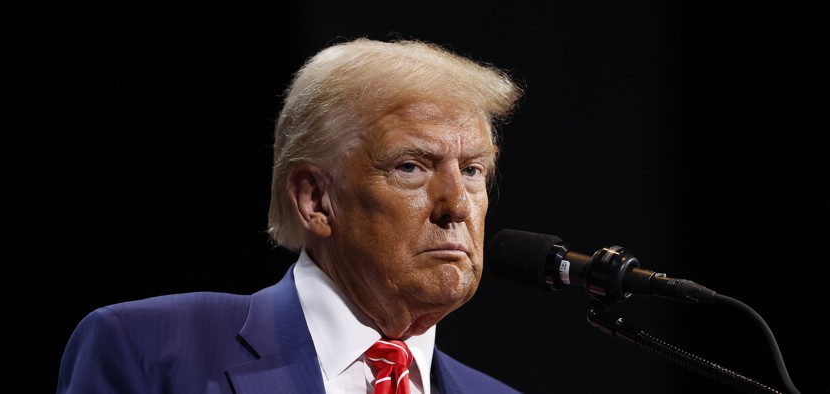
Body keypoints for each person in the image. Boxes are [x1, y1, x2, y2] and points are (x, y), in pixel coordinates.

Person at [57, 37, 523, 394]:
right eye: (410, 166)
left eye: (471, 170)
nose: (458, 205)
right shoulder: (149, 350)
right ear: (315, 200)